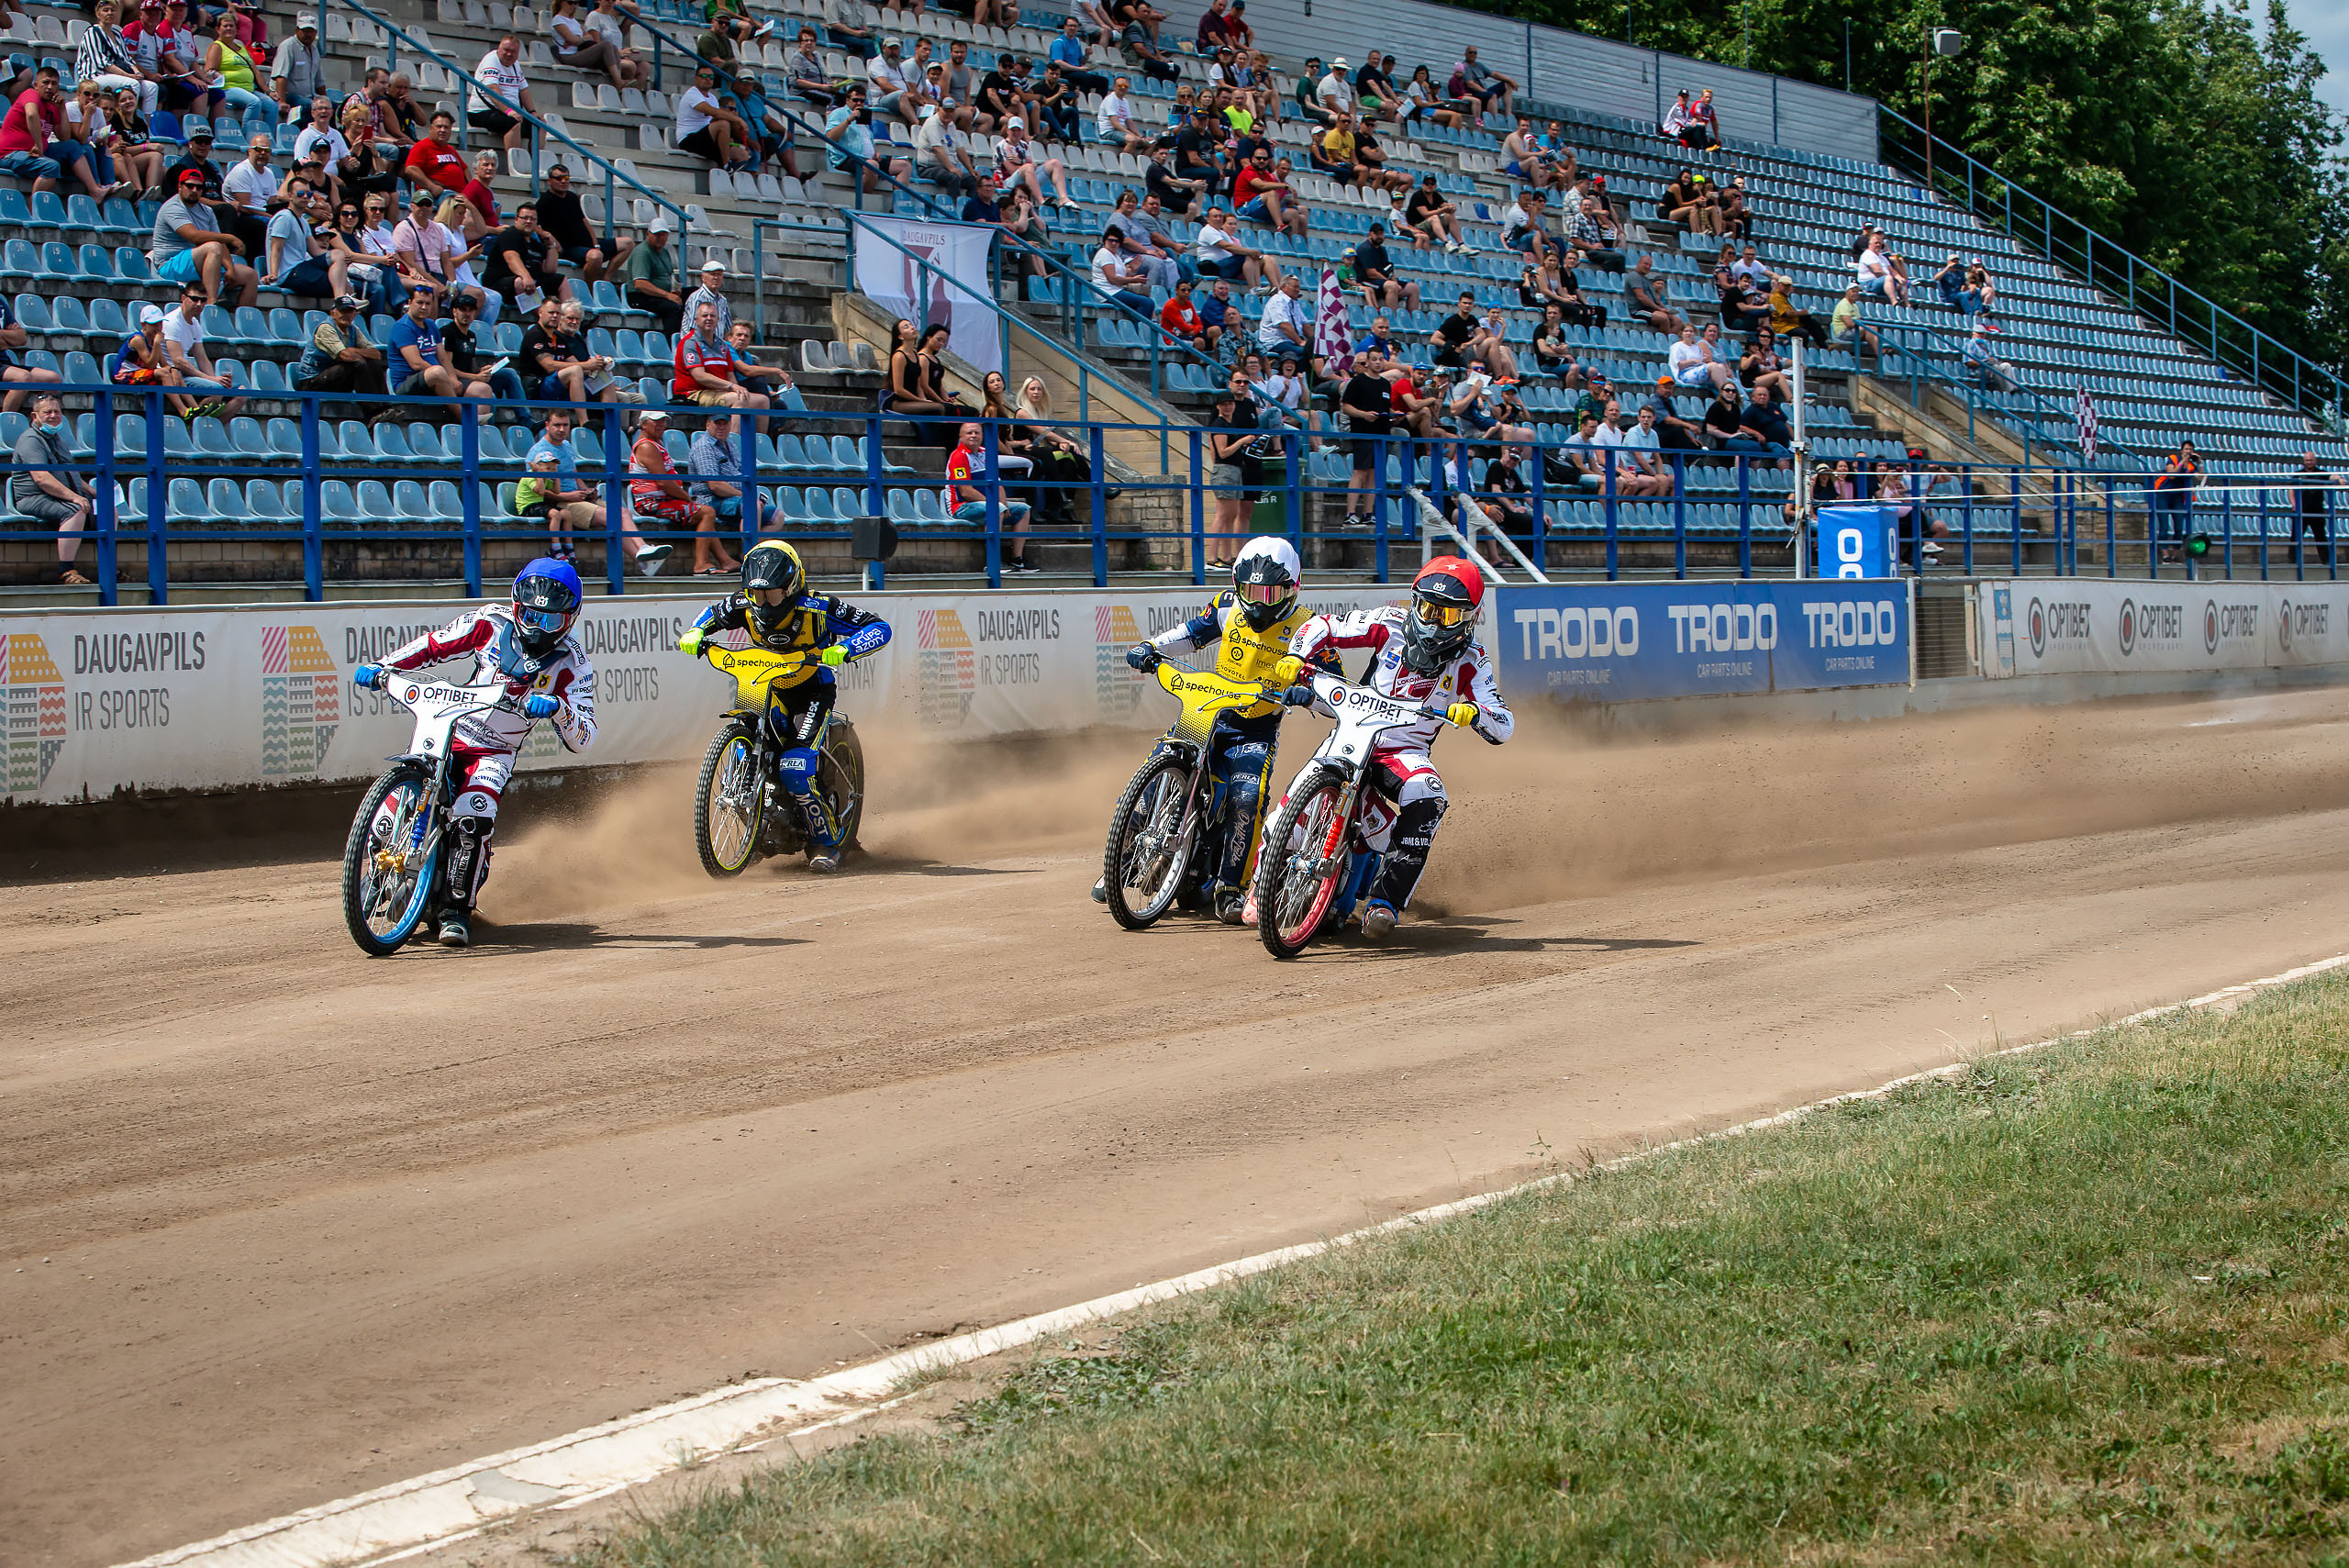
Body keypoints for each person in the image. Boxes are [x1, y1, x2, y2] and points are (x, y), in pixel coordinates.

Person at [351, 560, 596, 947]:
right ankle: (376, 874)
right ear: (517, 605)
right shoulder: (489, 622)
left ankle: (456, 911)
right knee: (392, 803)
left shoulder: (573, 663)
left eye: (550, 621)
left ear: (569, 620)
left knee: (474, 814)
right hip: (448, 726)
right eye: (531, 615)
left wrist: (559, 709)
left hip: (495, 752)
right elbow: (434, 646)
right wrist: (383, 666)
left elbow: (586, 737)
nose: (537, 628)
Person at [1285, 556, 1511, 940]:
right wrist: (1295, 655)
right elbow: (1323, 625)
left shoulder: (1472, 661)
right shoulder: (1389, 623)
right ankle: (1256, 881)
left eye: (1448, 616)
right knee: (1294, 801)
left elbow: (1503, 724)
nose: (1434, 622)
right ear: (1413, 601)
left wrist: (1472, 712)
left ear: (1470, 619)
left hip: (1403, 753)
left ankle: (1383, 902)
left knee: (1430, 795)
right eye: (1427, 609)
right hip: (1355, 732)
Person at [1109, 537, 1332, 921]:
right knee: (1158, 765)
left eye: (1270, 592)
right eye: (1251, 590)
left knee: (1248, 797)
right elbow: (1190, 633)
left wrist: (1309, 695)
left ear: (1292, 588)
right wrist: (1149, 646)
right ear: (1237, 584)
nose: (1259, 601)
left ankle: (1231, 886)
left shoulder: (1310, 628)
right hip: (1209, 710)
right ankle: (1121, 859)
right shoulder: (1228, 606)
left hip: (1256, 729)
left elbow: (1338, 690)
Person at [676, 539, 889, 872]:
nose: (765, 602)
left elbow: (879, 627)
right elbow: (712, 613)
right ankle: (760, 830)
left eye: (773, 594)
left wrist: (847, 649)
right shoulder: (742, 604)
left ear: (792, 585)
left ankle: (826, 843)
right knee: (744, 754)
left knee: (795, 767)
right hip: (763, 685)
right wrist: (695, 632)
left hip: (812, 690)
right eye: (757, 595)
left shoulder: (820, 607)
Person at [627, 407, 729, 573]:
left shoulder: (655, 444)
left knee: (704, 513)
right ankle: (701, 564)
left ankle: (726, 561)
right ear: (643, 424)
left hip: (664, 500)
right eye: (656, 421)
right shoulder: (646, 446)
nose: (661, 425)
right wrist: (686, 498)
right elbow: (664, 483)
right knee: (707, 512)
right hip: (652, 503)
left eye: (663, 420)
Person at [14, 394, 94, 584]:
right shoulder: (31, 440)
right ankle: (67, 571)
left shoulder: (58, 439)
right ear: (35, 416)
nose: (53, 415)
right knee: (76, 510)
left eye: (57, 411)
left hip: (58, 497)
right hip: (34, 497)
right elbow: (41, 478)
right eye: (47, 412)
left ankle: (109, 566)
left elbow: (69, 474)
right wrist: (75, 497)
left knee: (109, 509)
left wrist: (91, 491)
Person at [944, 418, 1034, 572]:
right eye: (969, 433)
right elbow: (966, 492)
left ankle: (1017, 560)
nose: (973, 435)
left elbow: (996, 484)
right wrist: (996, 504)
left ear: (982, 436)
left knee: (1023, 509)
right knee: (996, 509)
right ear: (961, 437)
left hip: (986, 504)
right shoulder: (959, 456)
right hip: (960, 507)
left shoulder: (986, 453)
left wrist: (1004, 503)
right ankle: (993, 563)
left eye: (977, 432)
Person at [826, 84, 909, 196]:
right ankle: (864, 199)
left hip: (867, 159)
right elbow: (830, 137)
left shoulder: (864, 116)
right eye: (855, 100)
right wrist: (848, 120)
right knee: (872, 165)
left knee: (904, 166)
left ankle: (898, 203)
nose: (859, 103)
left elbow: (865, 140)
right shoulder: (839, 113)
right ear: (847, 100)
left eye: (862, 101)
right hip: (846, 158)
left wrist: (875, 153)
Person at [621, 212, 684, 336]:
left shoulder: (665, 252)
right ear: (648, 234)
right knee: (673, 308)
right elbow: (640, 284)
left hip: (660, 294)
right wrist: (667, 295)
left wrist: (675, 290)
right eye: (657, 235)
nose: (660, 238)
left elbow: (669, 276)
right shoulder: (643, 252)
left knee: (694, 295)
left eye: (663, 235)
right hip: (640, 296)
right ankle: (671, 344)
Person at [2152, 439, 2201, 563]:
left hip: (2178, 496)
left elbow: (2201, 477)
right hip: (2164, 493)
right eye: (2186, 449)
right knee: (2164, 525)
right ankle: (2165, 554)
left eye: (2190, 449)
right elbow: (2172, 475)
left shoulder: (2191, 466)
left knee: (2179, 526)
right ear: (2181, 450)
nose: (2188, 451)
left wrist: (2200, 463)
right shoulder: (2173, 459)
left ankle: (2176, 554)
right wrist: (2183, 461)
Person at [1403, 172, 1472, 254]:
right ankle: (1447, 243)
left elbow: (1445, 207)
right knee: (1434, 217)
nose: (1429, 185)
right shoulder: (1418, 196)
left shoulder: (1436, 195)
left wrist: (1451, 208)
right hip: (1417, 227)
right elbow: (1426, 214)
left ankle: (1461, 245)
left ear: (1435, 186)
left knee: (1450, 216)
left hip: (1431, 228)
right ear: (1423, 185)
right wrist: (1444, 209)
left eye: (1432, 184)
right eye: (1427, 183)